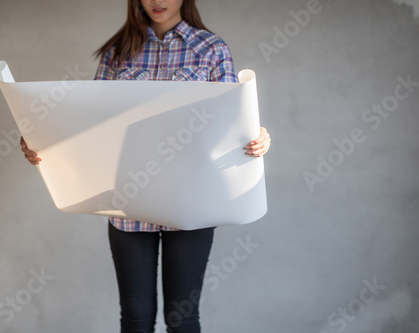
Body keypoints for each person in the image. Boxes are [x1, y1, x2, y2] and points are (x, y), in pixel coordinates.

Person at [20, 0, 271, 332]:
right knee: (136, 318)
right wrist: (43, 140)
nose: (157, 1)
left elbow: (230, 119)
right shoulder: (118, 51)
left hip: (192, 204)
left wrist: (258, 135)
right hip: (128, 206)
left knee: (182, 319)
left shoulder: (211, 49)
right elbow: (90, 123)